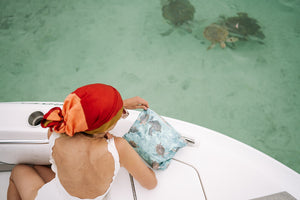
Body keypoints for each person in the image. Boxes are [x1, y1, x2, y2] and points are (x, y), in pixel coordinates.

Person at [7, 83, 157, 200]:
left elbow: (79, 117)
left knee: (19, 170)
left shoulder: (55, 132)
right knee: (35, 169)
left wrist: (118, 107)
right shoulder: (118, 147)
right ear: (108, 127)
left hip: (60, 195)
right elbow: (150, 183)